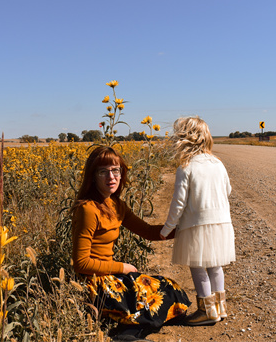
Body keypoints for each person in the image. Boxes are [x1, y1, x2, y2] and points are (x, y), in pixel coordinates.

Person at [72, 145, 191, 341]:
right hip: (95, 283)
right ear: (93, 176)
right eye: (103, 172)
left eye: (115, 170)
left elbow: (148, 231)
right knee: (151, 300)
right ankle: (126, 334)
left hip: (111, 276)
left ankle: (129, 331)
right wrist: (124, 267)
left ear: (122, 173)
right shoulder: (88, 209)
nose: (111, 177)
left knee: (170, 289)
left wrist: (184, 229)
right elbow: (81, 263)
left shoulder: (116, 205)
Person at [160, 116, 236, 326]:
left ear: (183, 140)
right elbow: (227, 190)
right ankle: (220, 308)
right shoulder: (218, 164)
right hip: (221, 223)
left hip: (197, 224)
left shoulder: (186, 167)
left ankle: (206, 310)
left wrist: (167, 228)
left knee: (198, 266)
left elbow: (178, 204)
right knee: (215, 265)